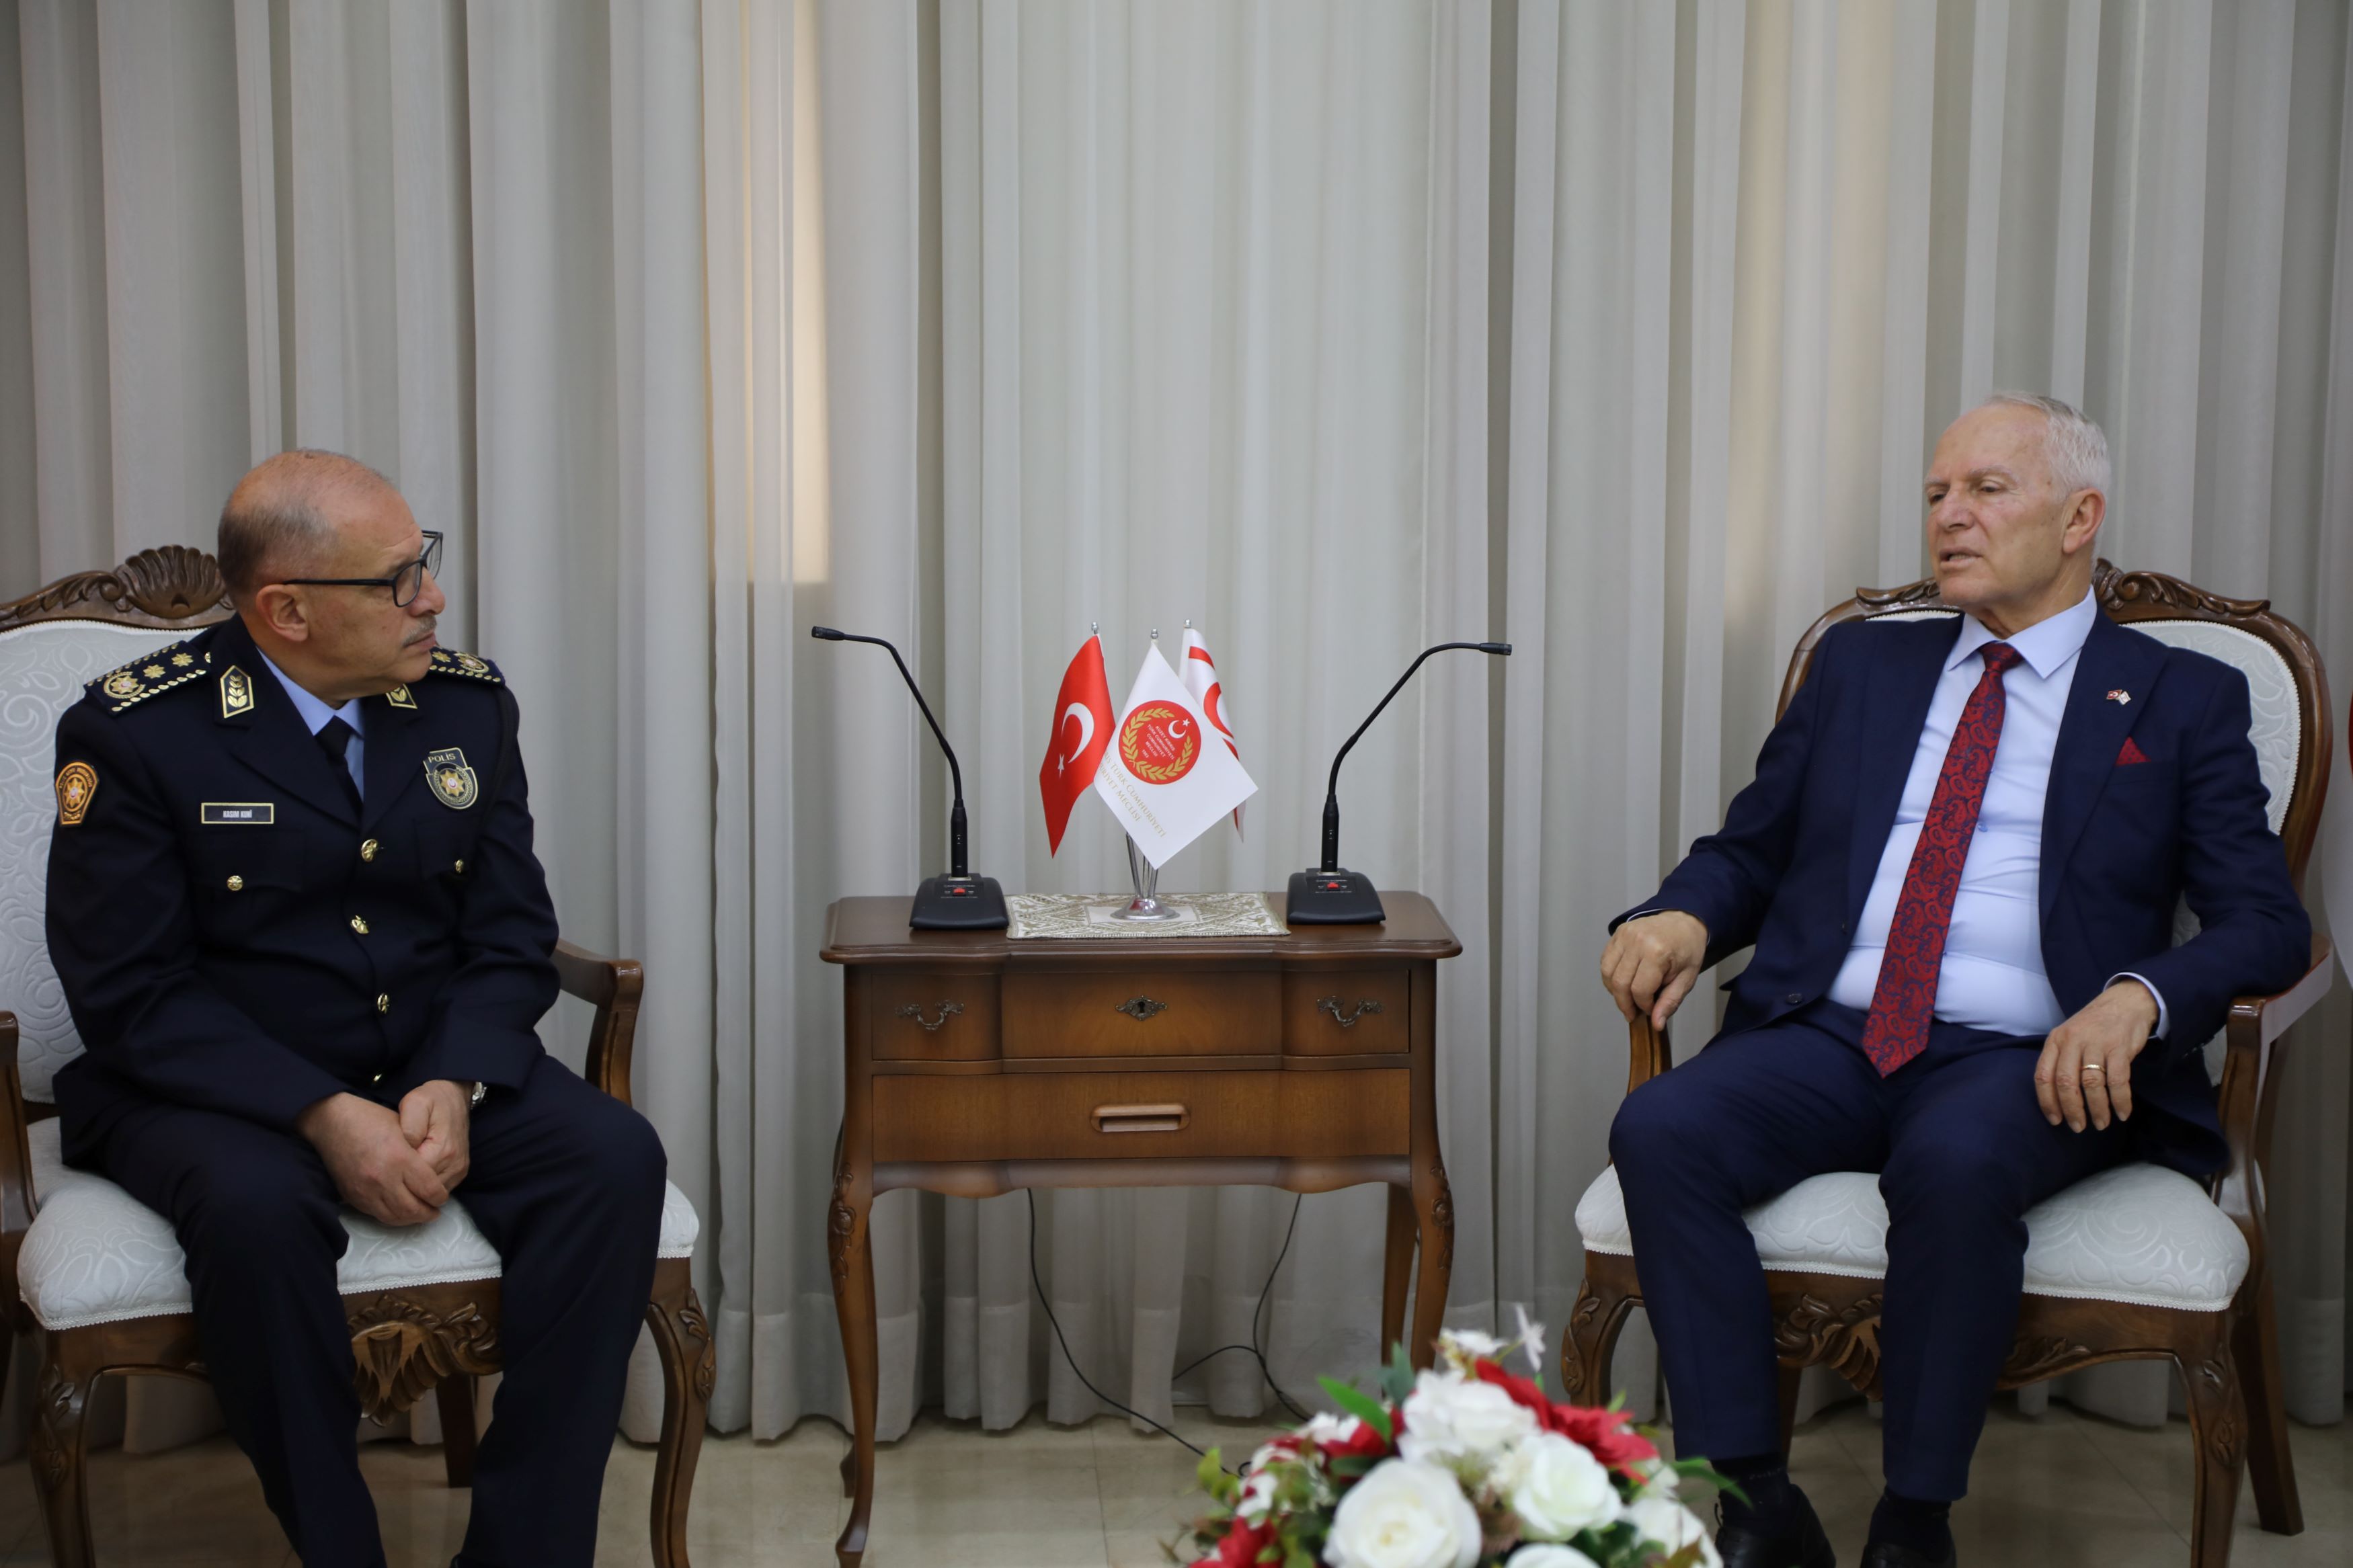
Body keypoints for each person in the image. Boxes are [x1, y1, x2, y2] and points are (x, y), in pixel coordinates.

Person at [1597, 395, 2309, 1568]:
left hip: (2028, 1056)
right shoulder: (1861, 666)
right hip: (1833, 1033)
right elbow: (1754, 849)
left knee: (1956, 1157)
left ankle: (1912, 1519)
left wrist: (2139, 995)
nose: (1949, 515)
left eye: (1986, 488)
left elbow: (2267, 923)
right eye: (1937, 493)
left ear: (2079, 517)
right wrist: (1681, 912)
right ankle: (1755, 1501)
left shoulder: (2178, 696)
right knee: (1662, 1127)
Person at [45, 450, 668, 1568]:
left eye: (424, 563)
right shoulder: (138, 733)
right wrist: (322, 1113)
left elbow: (510, 933)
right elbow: (130, 990)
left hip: (424, 1059)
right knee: (255, 1211)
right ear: (286, 610)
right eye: (398, 580)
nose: (432, 598)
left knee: (614, 1158)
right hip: (217, 1089)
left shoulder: (466, 708)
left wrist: (456, 1077)